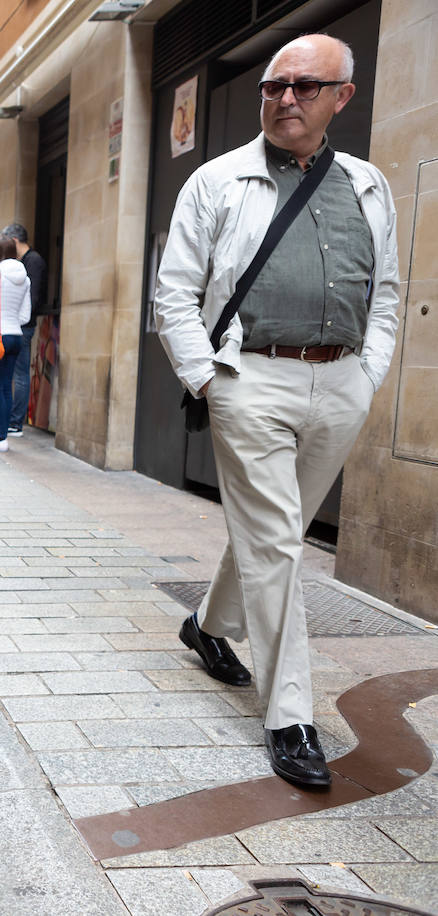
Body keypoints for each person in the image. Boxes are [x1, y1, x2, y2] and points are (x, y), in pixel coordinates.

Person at [154, 34, 398, 789]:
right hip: (249, 380)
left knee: (276, 534)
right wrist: (208, 381)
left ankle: (208, 626)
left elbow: (385, 292)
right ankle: (290, 713)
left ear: (340, 98)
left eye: (304, 86)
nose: (285, 98)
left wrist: (369, 373)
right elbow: (174, 293)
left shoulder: (366, 184)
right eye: (272, 85)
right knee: (279, 547)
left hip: (340, 383)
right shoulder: (217, 181)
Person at [0, 224, 46, 437]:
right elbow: (25, 315)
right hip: (16, 336)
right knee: (6, 387)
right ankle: (5, 432)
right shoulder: (25, 278)